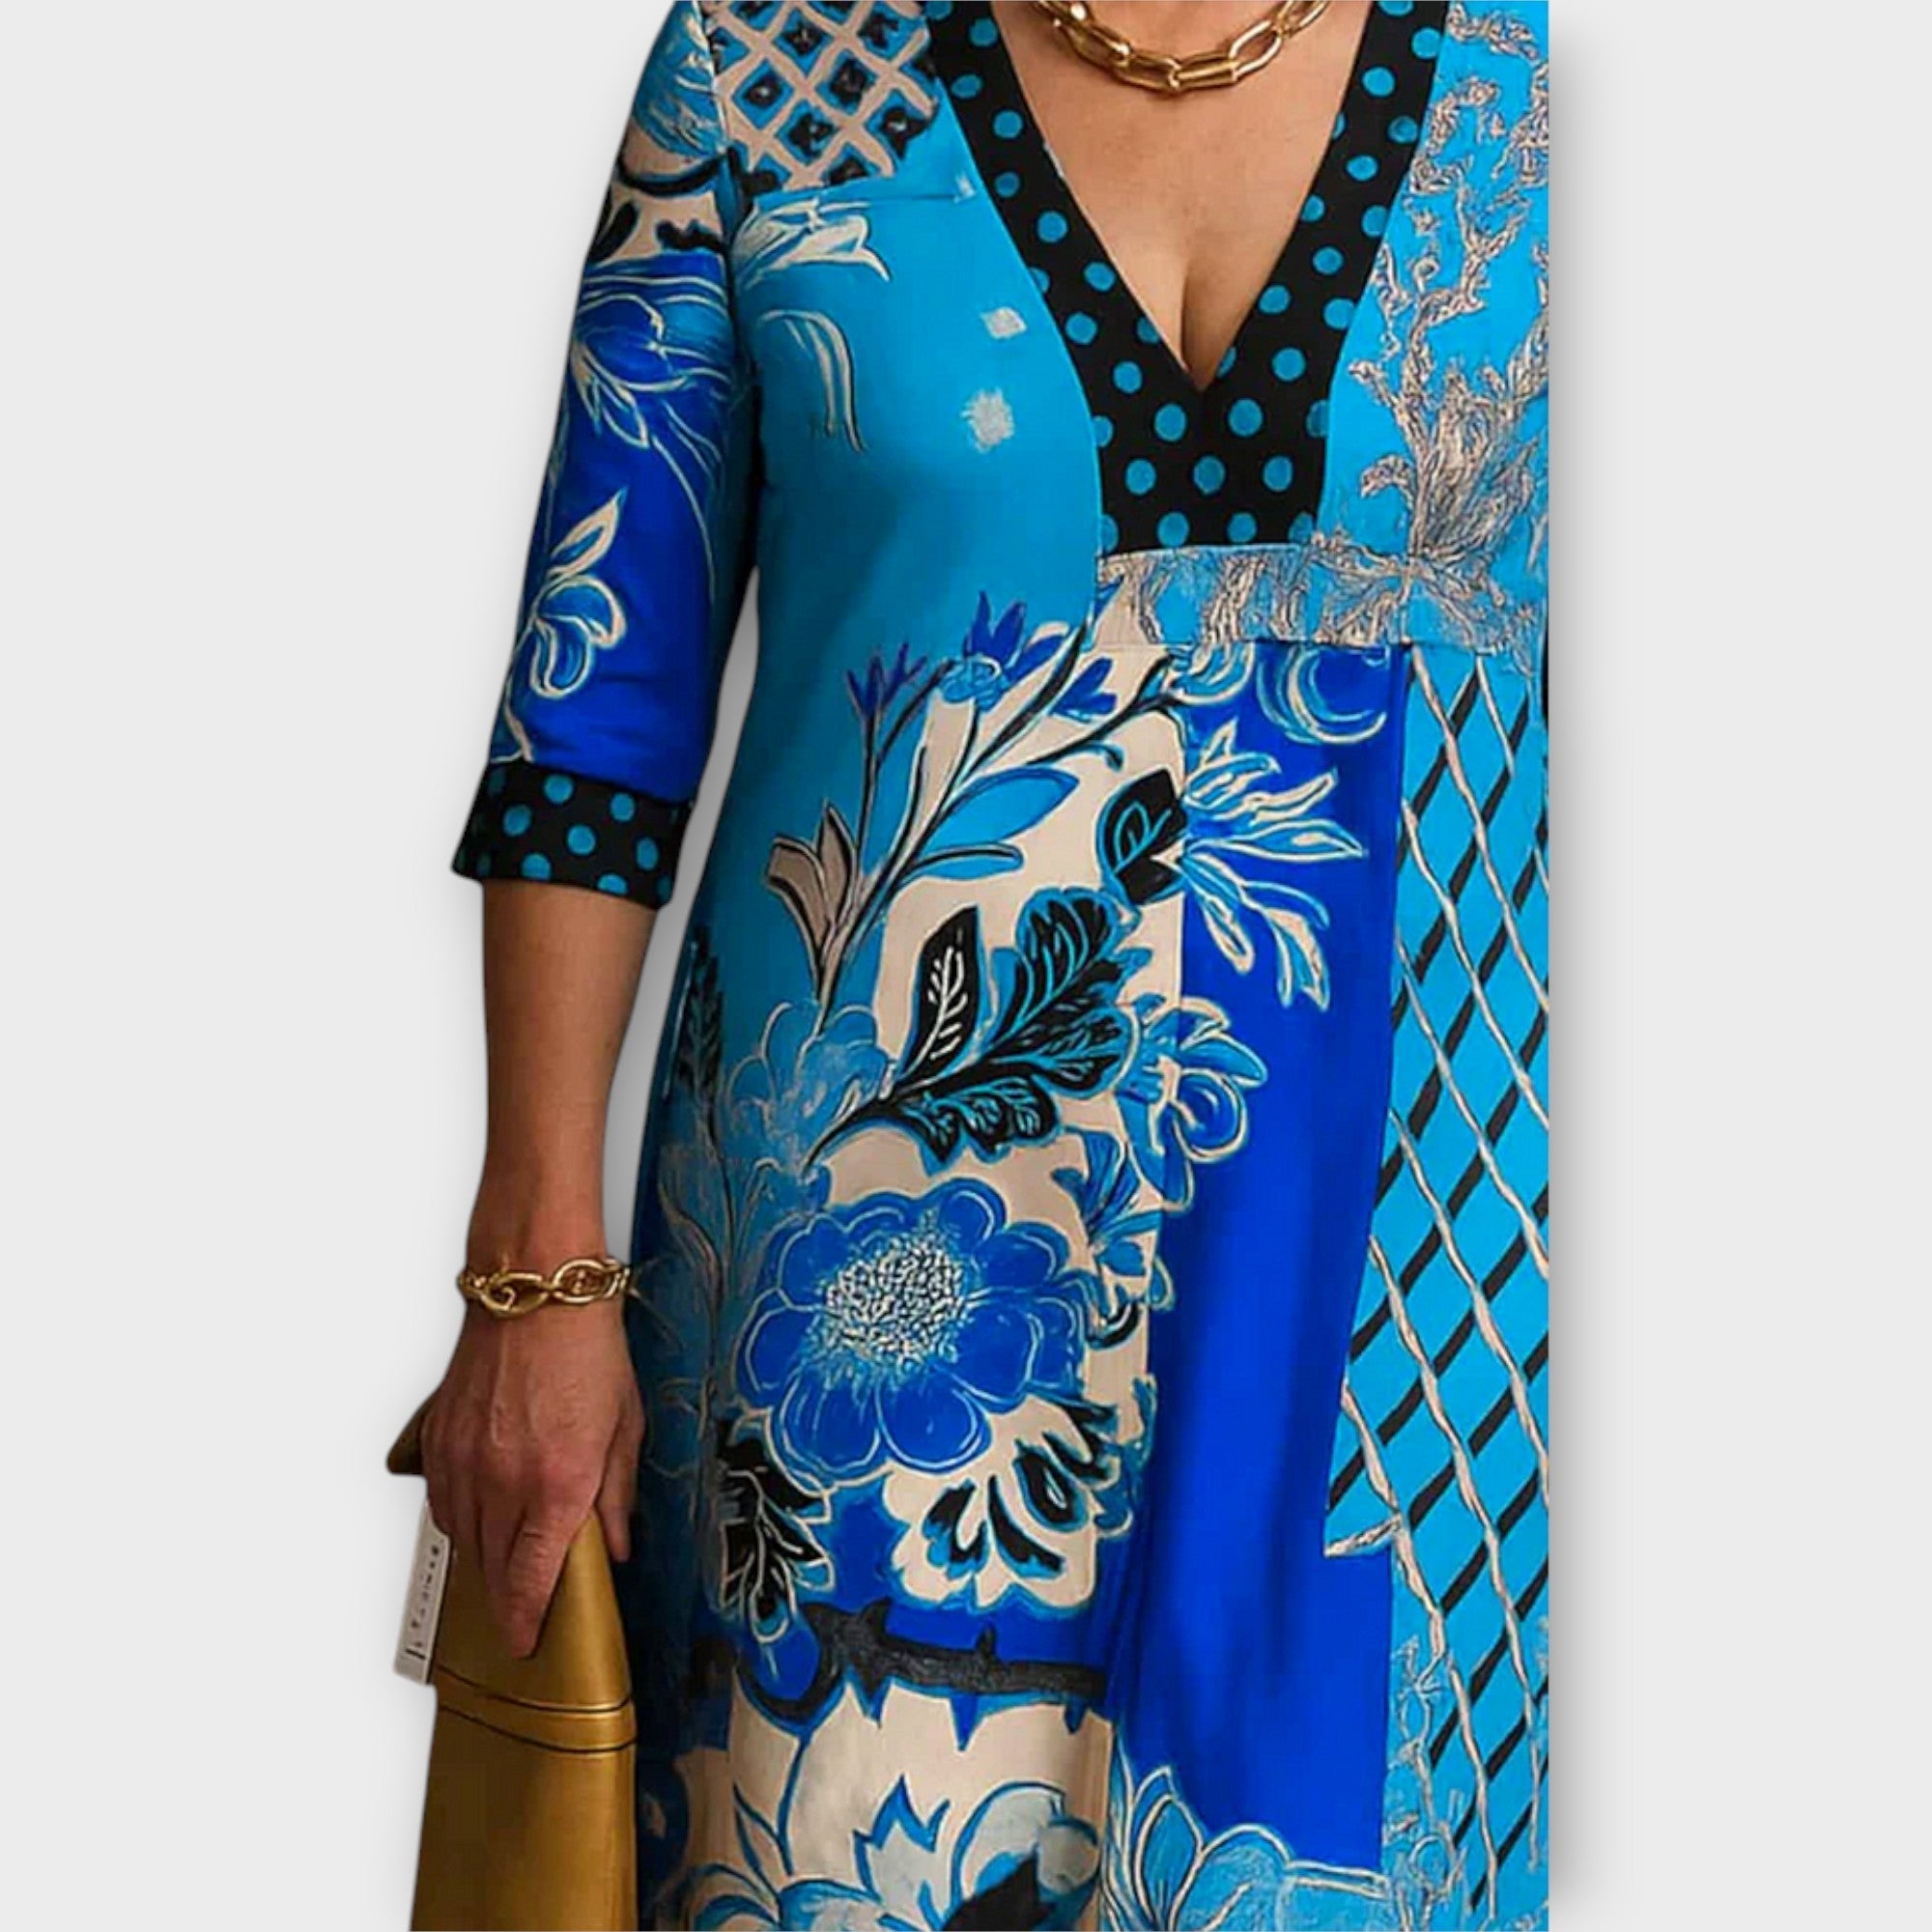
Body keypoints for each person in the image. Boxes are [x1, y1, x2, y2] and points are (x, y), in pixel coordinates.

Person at [420, 1, 1548, 1924]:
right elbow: (592, 724)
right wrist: (535, 1276)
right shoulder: (776, 65)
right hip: (854, 1343)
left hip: (1406, 1340)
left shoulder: (1535, 72)